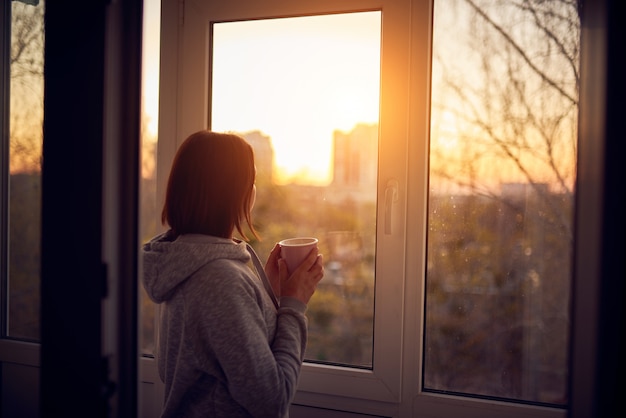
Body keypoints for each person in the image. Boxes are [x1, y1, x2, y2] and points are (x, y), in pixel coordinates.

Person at [142, 130, 324, 418]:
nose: (254, 190)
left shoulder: (182, 260)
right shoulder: (220, 279)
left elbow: (190, 363)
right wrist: (294, 305)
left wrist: (268, 294)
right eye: (251, 181)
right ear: (235, 192)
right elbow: (272, 401)